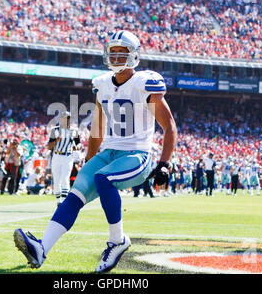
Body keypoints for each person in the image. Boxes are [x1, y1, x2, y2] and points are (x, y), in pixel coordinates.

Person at [13, 30, 177, 273]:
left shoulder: (144, 83)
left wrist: (164, 163)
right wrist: (89, 161)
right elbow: (98, 129)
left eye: (123, 52)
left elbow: (169, 125)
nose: (118, 57)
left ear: (134, 55)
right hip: (108, 153)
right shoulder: (101, 85)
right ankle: (41, 249)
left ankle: (117, 241)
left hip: (137, 155)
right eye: (114, 52)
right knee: (74, 195)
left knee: (103, 178)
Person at [47, 111, 81, 207]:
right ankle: (58, 201)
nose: (66, 120)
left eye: (67, 118)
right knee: (57, 179)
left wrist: (77, 147)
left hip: (68, 156)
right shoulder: (55, 130)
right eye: (64, 118)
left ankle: (64, 201)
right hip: (57, 156)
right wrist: (56, 140)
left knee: (65, 179)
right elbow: (49, 146)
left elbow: (78, 143)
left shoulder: (73, 131)